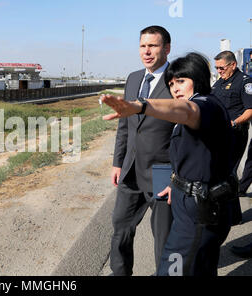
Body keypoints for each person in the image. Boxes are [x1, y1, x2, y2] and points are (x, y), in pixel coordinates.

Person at [101, 52, 242, 276]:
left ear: (198, 79)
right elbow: (193, 155)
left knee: (173, 270)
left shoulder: (204, 105)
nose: (175, 88)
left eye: (182, 81)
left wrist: (141, 106)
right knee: (201, 268)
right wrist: (176, 182)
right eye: (172, 83)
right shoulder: (198, 103)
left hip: (199, 211)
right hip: (192, 200)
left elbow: (186, 112)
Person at [108, 25, 174, 276]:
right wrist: (117, 162)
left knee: (163, 237)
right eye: (143, 46)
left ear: (167, 48)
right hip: (130, 170)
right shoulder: (134, 78)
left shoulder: (177, 80)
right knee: (120, 228)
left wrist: (176, 173)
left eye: (153, 46)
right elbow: (124, 125)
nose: (147, 52)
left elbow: (187, 132)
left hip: (162, 171)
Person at [211, 51, 252, 184]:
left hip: (234, 134)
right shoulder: (219, 82)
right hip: (217, 133)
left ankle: (230, 202)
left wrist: (233, 123)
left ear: (233, 65)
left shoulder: (244, 82)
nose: (219, 71)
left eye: (221, 68)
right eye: (216, 68)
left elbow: (250, 110)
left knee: (228, 174)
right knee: (216, 171)